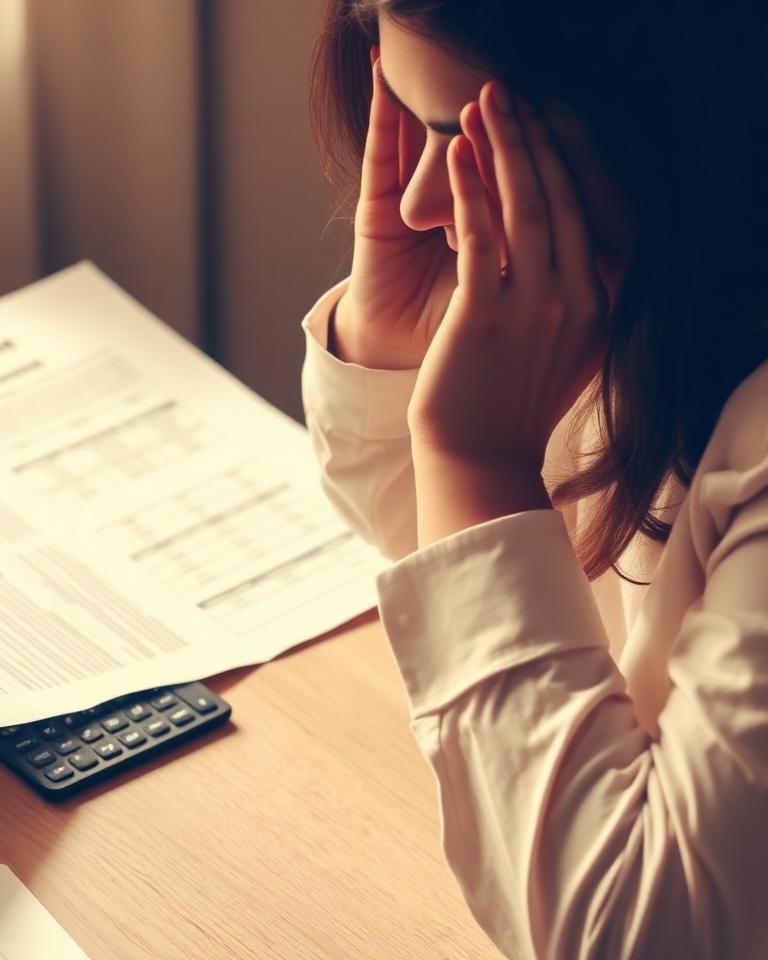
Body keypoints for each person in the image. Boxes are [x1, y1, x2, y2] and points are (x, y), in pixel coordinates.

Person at [301, 1, 768, 957]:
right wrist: (397, 344)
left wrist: (474, 457)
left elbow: (639, 931)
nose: (420, 205)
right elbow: (476, 576)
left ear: (665, 131)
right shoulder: (659, 314)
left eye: (456, 137)